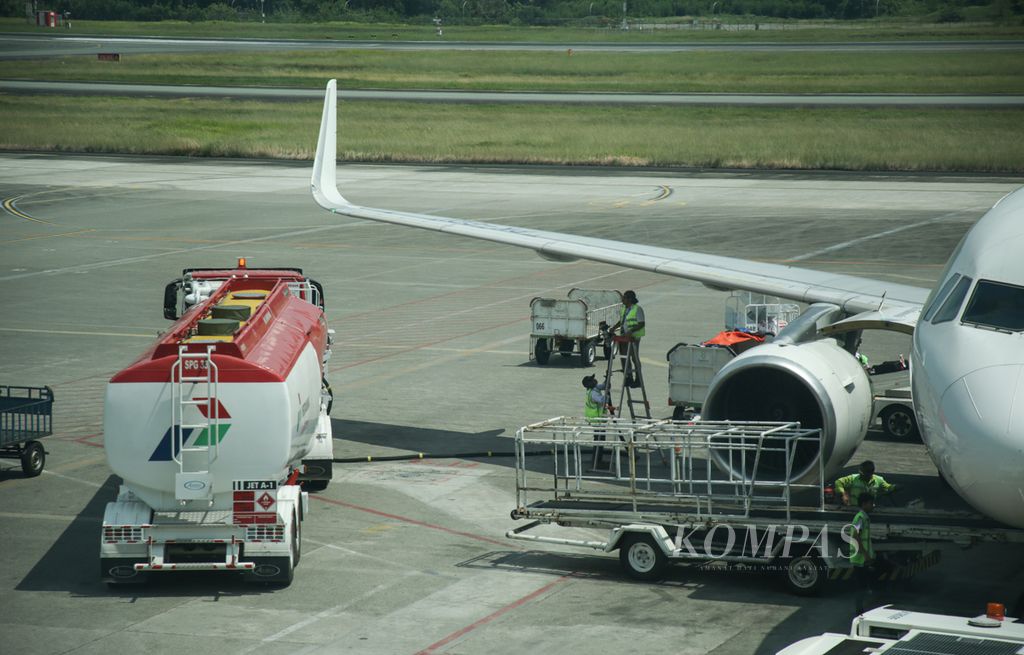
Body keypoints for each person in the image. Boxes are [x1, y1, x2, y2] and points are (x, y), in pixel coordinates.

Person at [848, 493, 876, 614]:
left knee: (863, 585)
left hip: (862, 559)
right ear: (864, 504)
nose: (873, 505)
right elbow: (856, 536)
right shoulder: (860, 518)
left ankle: (861, 609)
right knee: (860, 586)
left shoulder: (864, 517)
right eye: (871, 503)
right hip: (859, 559)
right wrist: (865, 555)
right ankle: (859, 612)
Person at [611, 290, 645, 386]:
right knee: (624, 358)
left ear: (629, 299)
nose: (622, 299)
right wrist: (614, 328)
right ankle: (628, 377)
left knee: (634, 358)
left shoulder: (637, 309)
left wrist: (631, 331)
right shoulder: (624, 309)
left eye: (624, 297)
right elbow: (622, 320)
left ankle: (638, 379)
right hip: (624, 337)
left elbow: (641, 323)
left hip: (633, 337)